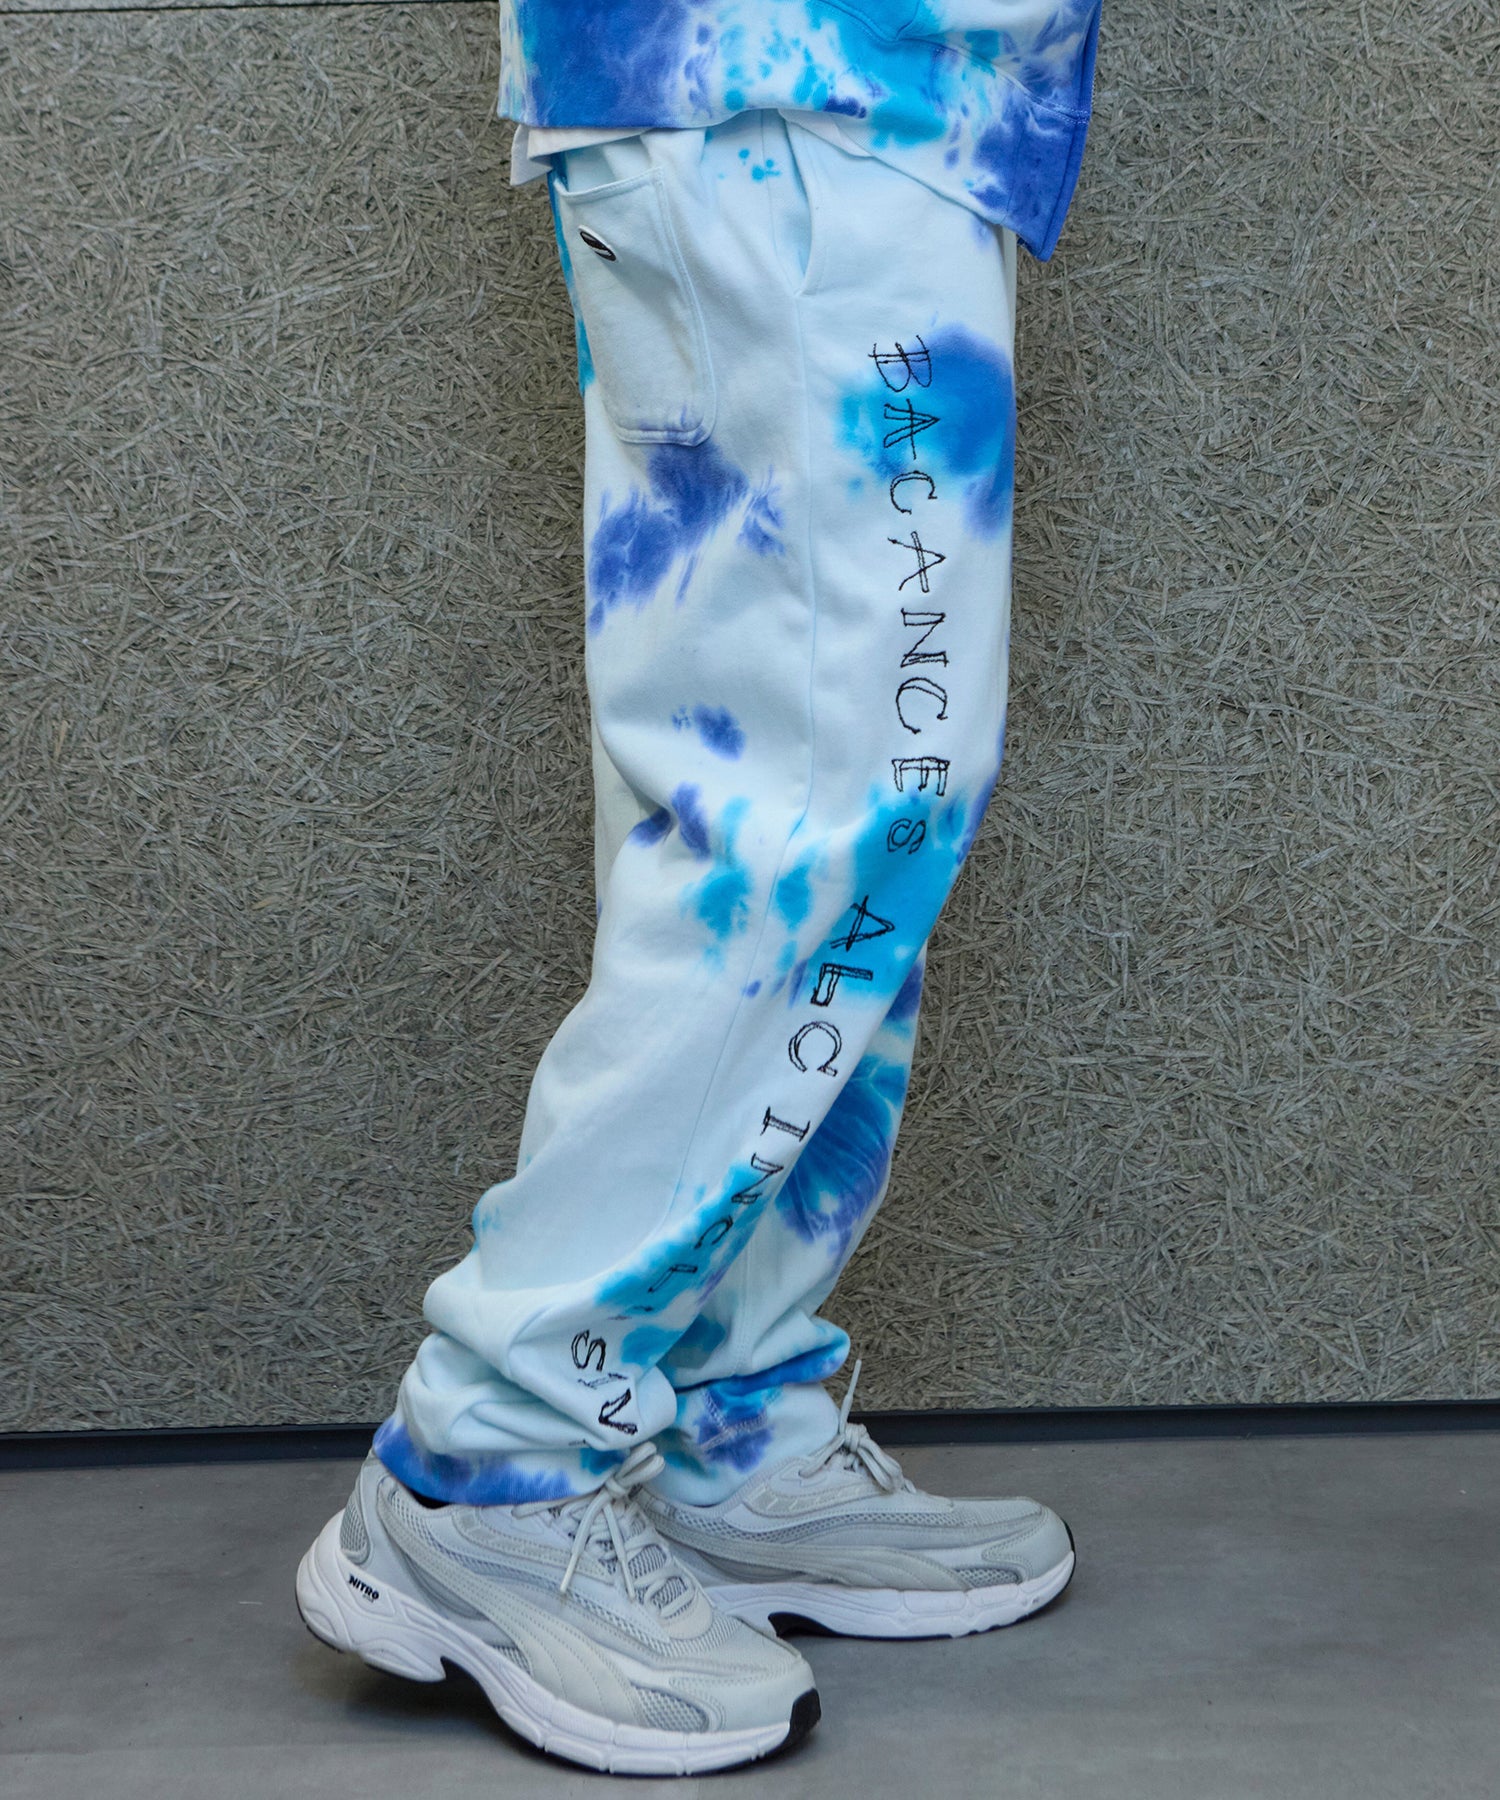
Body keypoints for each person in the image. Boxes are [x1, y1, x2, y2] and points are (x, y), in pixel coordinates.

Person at [296, 1, 1101, 1775]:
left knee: (785, 801)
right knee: (826, 812)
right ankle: (493, 1460)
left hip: (837, 101)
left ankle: (721, 1421)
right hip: (792, 89)